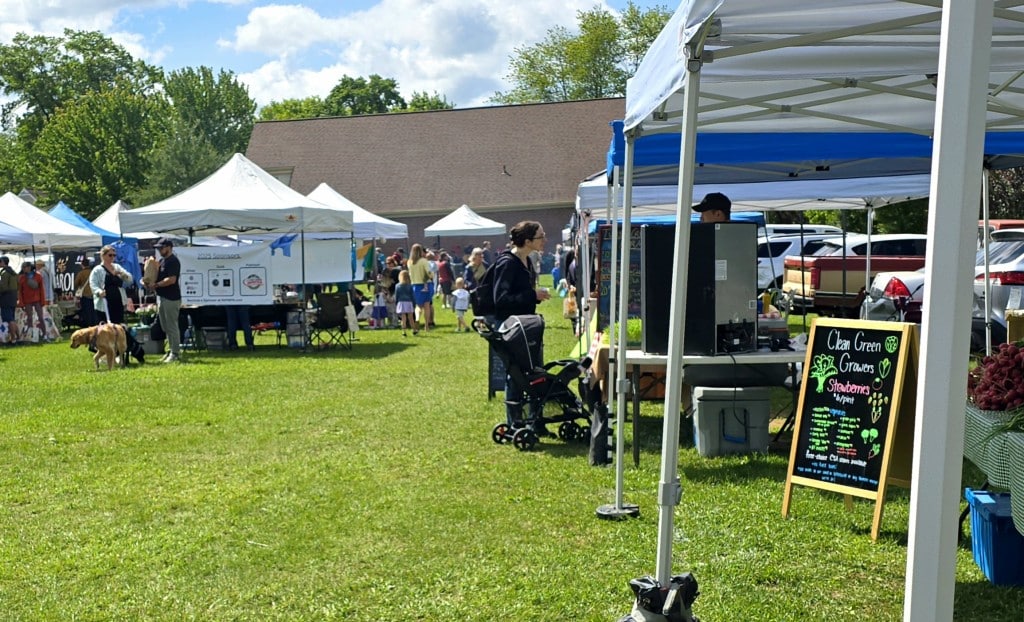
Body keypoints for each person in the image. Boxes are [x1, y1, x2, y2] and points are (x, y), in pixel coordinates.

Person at [492, 221, 552, 429]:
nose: (545, 240)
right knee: (517, 376)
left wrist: (534, 297)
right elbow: (501, 299)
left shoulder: (527, 260)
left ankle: (536, 422)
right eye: (541, 236)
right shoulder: (508, 263)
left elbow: (521, 295)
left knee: (536, 373)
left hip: (527, 326)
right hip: (511, 327)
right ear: (527, 241)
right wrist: (532, 295)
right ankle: (516, 423)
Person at [149, 237, 182, 363]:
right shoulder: (162, 261)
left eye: (161, 248)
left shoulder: (173, 261)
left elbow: (172, 280)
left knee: (172, 326)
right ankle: (170, 350)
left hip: (171, 298)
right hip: (161, 297)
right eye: (158, 248)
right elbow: (156, 277)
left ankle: (175, 353)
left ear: (169, 247)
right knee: (165, 326)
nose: (159, 250)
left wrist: (157, 285)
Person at [89, 245, 133, 325]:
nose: (112, 257)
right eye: (110, 255)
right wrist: (99, 292)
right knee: (105, 327)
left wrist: (121, 273)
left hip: (118, 302)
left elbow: (130, 279)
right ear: (103, 255)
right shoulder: (97, 270)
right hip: (104, 304)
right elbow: (93, 284)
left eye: (114, 255)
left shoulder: (117, 267)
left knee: (119, 326)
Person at [18, 261, 47, 342]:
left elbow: (42, 289)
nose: (24, 269)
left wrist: (42, 301)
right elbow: (20, 291)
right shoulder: (22, 278)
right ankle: (30, 335)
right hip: (27, 300)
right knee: (29, 318)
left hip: (37, 299)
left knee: (40, 317)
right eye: (23, 267)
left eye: (25, 267)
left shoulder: (38, 276)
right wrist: (21, 303)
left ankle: (44, 334)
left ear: (29, 267)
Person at [407, 243, 433, 331]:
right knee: (427, 305)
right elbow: (428, 272)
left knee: (418, 306)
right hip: (426, 284)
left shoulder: (409, 262)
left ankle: (417, 319)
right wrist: (432, 276)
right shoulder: (423, 261)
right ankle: (426, 325)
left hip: (415, 285)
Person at [0, 256, 19, 345]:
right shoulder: (13, 272)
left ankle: (13, 339)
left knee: (9, 319)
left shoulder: (4, 273)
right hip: (13, 297)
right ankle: (18, 337)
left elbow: (3, 287)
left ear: (3, 262)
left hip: (6, 298)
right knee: (12, 319)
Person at [73, 257, 96, 327]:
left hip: (85, 295)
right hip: (94, 294)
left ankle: (88, 326)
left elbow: (76, 284)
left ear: (82, 265)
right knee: (94, 312)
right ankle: (95, 325)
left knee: (86, 312)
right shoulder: (93, 272)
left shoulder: (81, 273)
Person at [394, 269, 417, 337]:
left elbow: (396, 295)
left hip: (401, 302)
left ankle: (403, 331)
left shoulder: (397, 286)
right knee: (411, 318)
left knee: (403, 318)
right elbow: (412, 296)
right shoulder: (410, 286)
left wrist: (396, 303)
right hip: (408, 302)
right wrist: (414, 303)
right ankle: (414, 330)